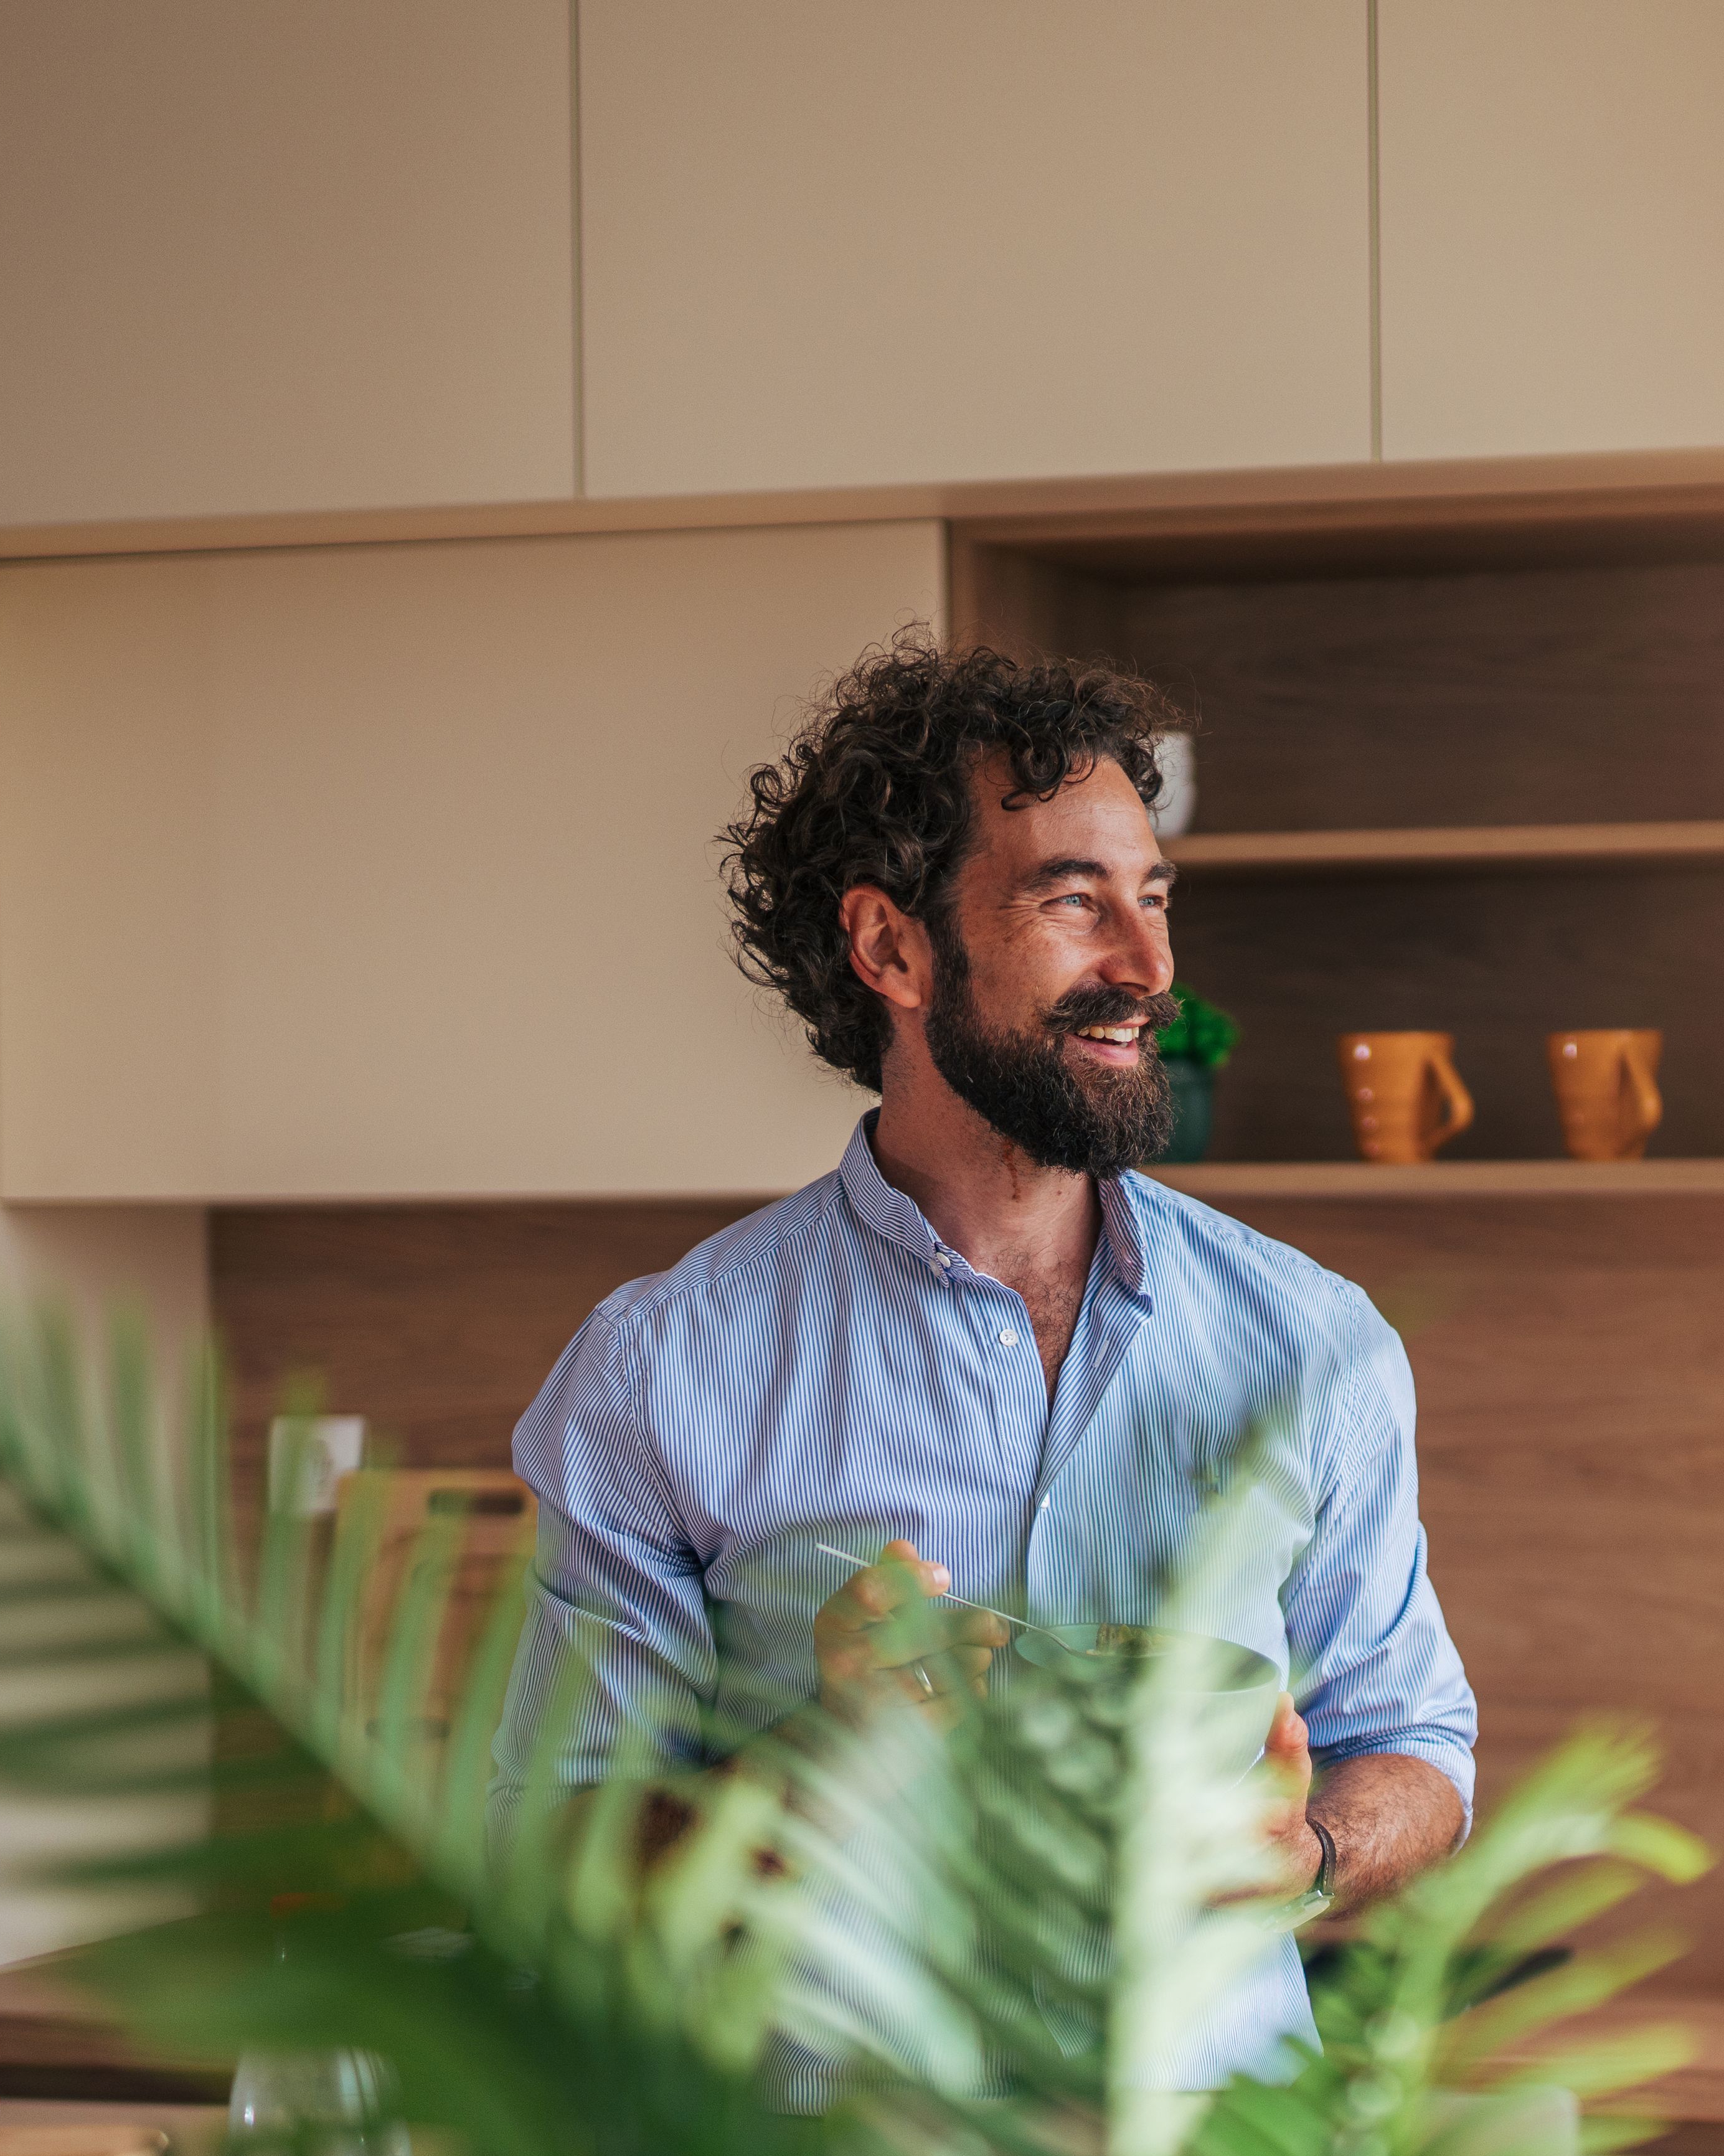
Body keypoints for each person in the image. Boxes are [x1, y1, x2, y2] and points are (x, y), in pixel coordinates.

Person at [489, 640, 1476, 2075]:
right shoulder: (657, 1371)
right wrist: (817, 1775)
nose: (1148, 969)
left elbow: (1413, 1746)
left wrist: (1308, 1852)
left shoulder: (1314, 1344)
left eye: (1151, 899)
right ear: (890, 948)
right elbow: (563, 1836)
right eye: (1074, 903)